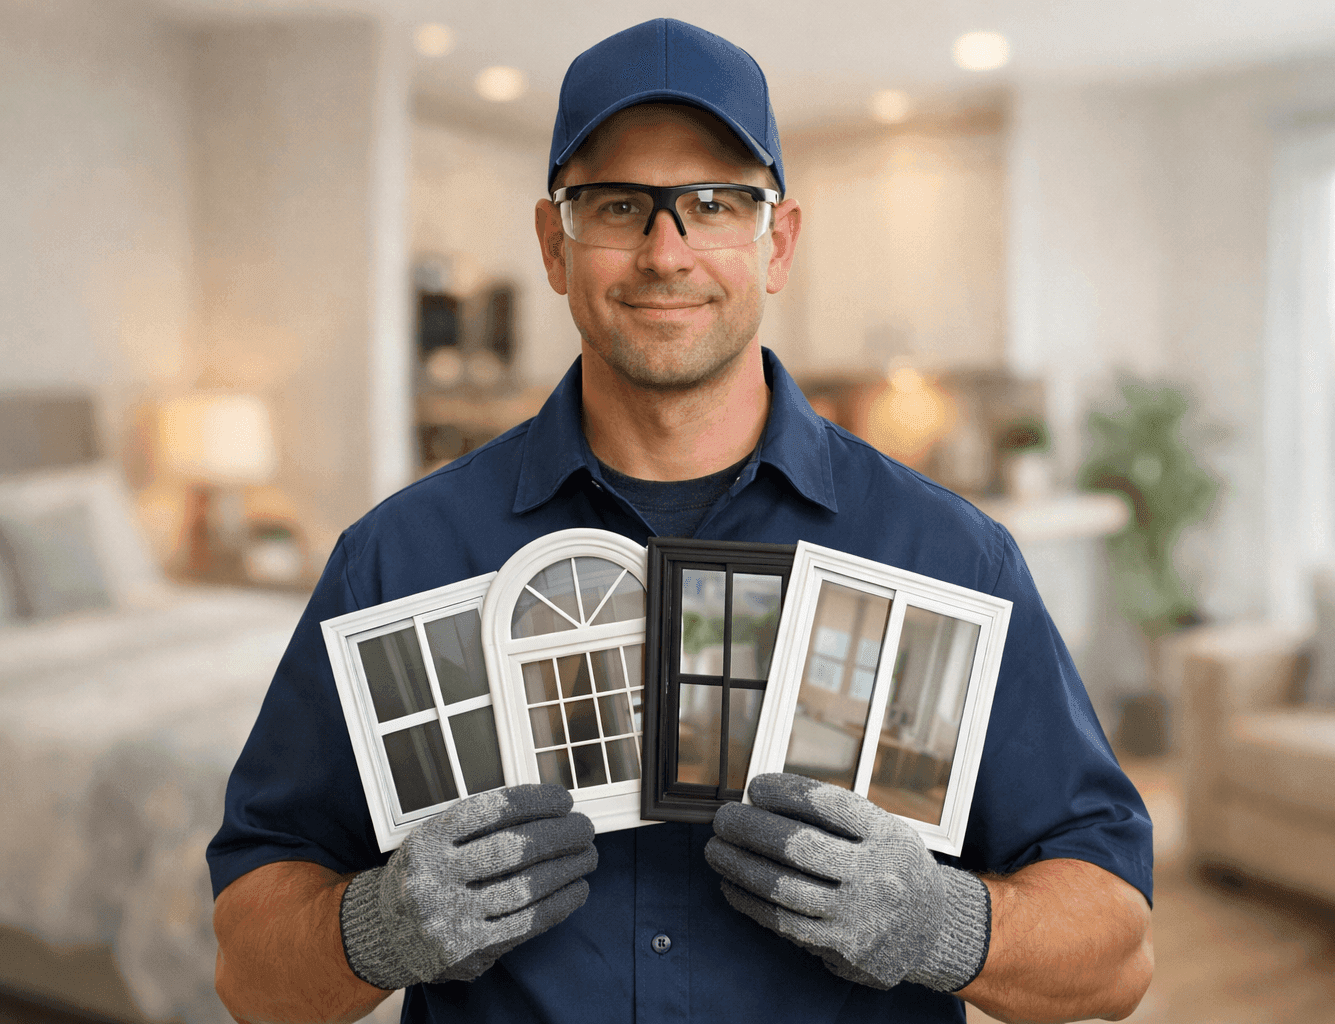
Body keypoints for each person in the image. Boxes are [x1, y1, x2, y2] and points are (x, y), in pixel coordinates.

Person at [208, 18, 1153, 1024]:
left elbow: (1116, 958)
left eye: (715, 202)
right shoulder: (399, 560)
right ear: (553, 244)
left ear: (775, 242)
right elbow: (251, 974)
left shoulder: (950, 558)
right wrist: (377, 928)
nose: (667, 251)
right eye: (619, 204)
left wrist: (940, 923)